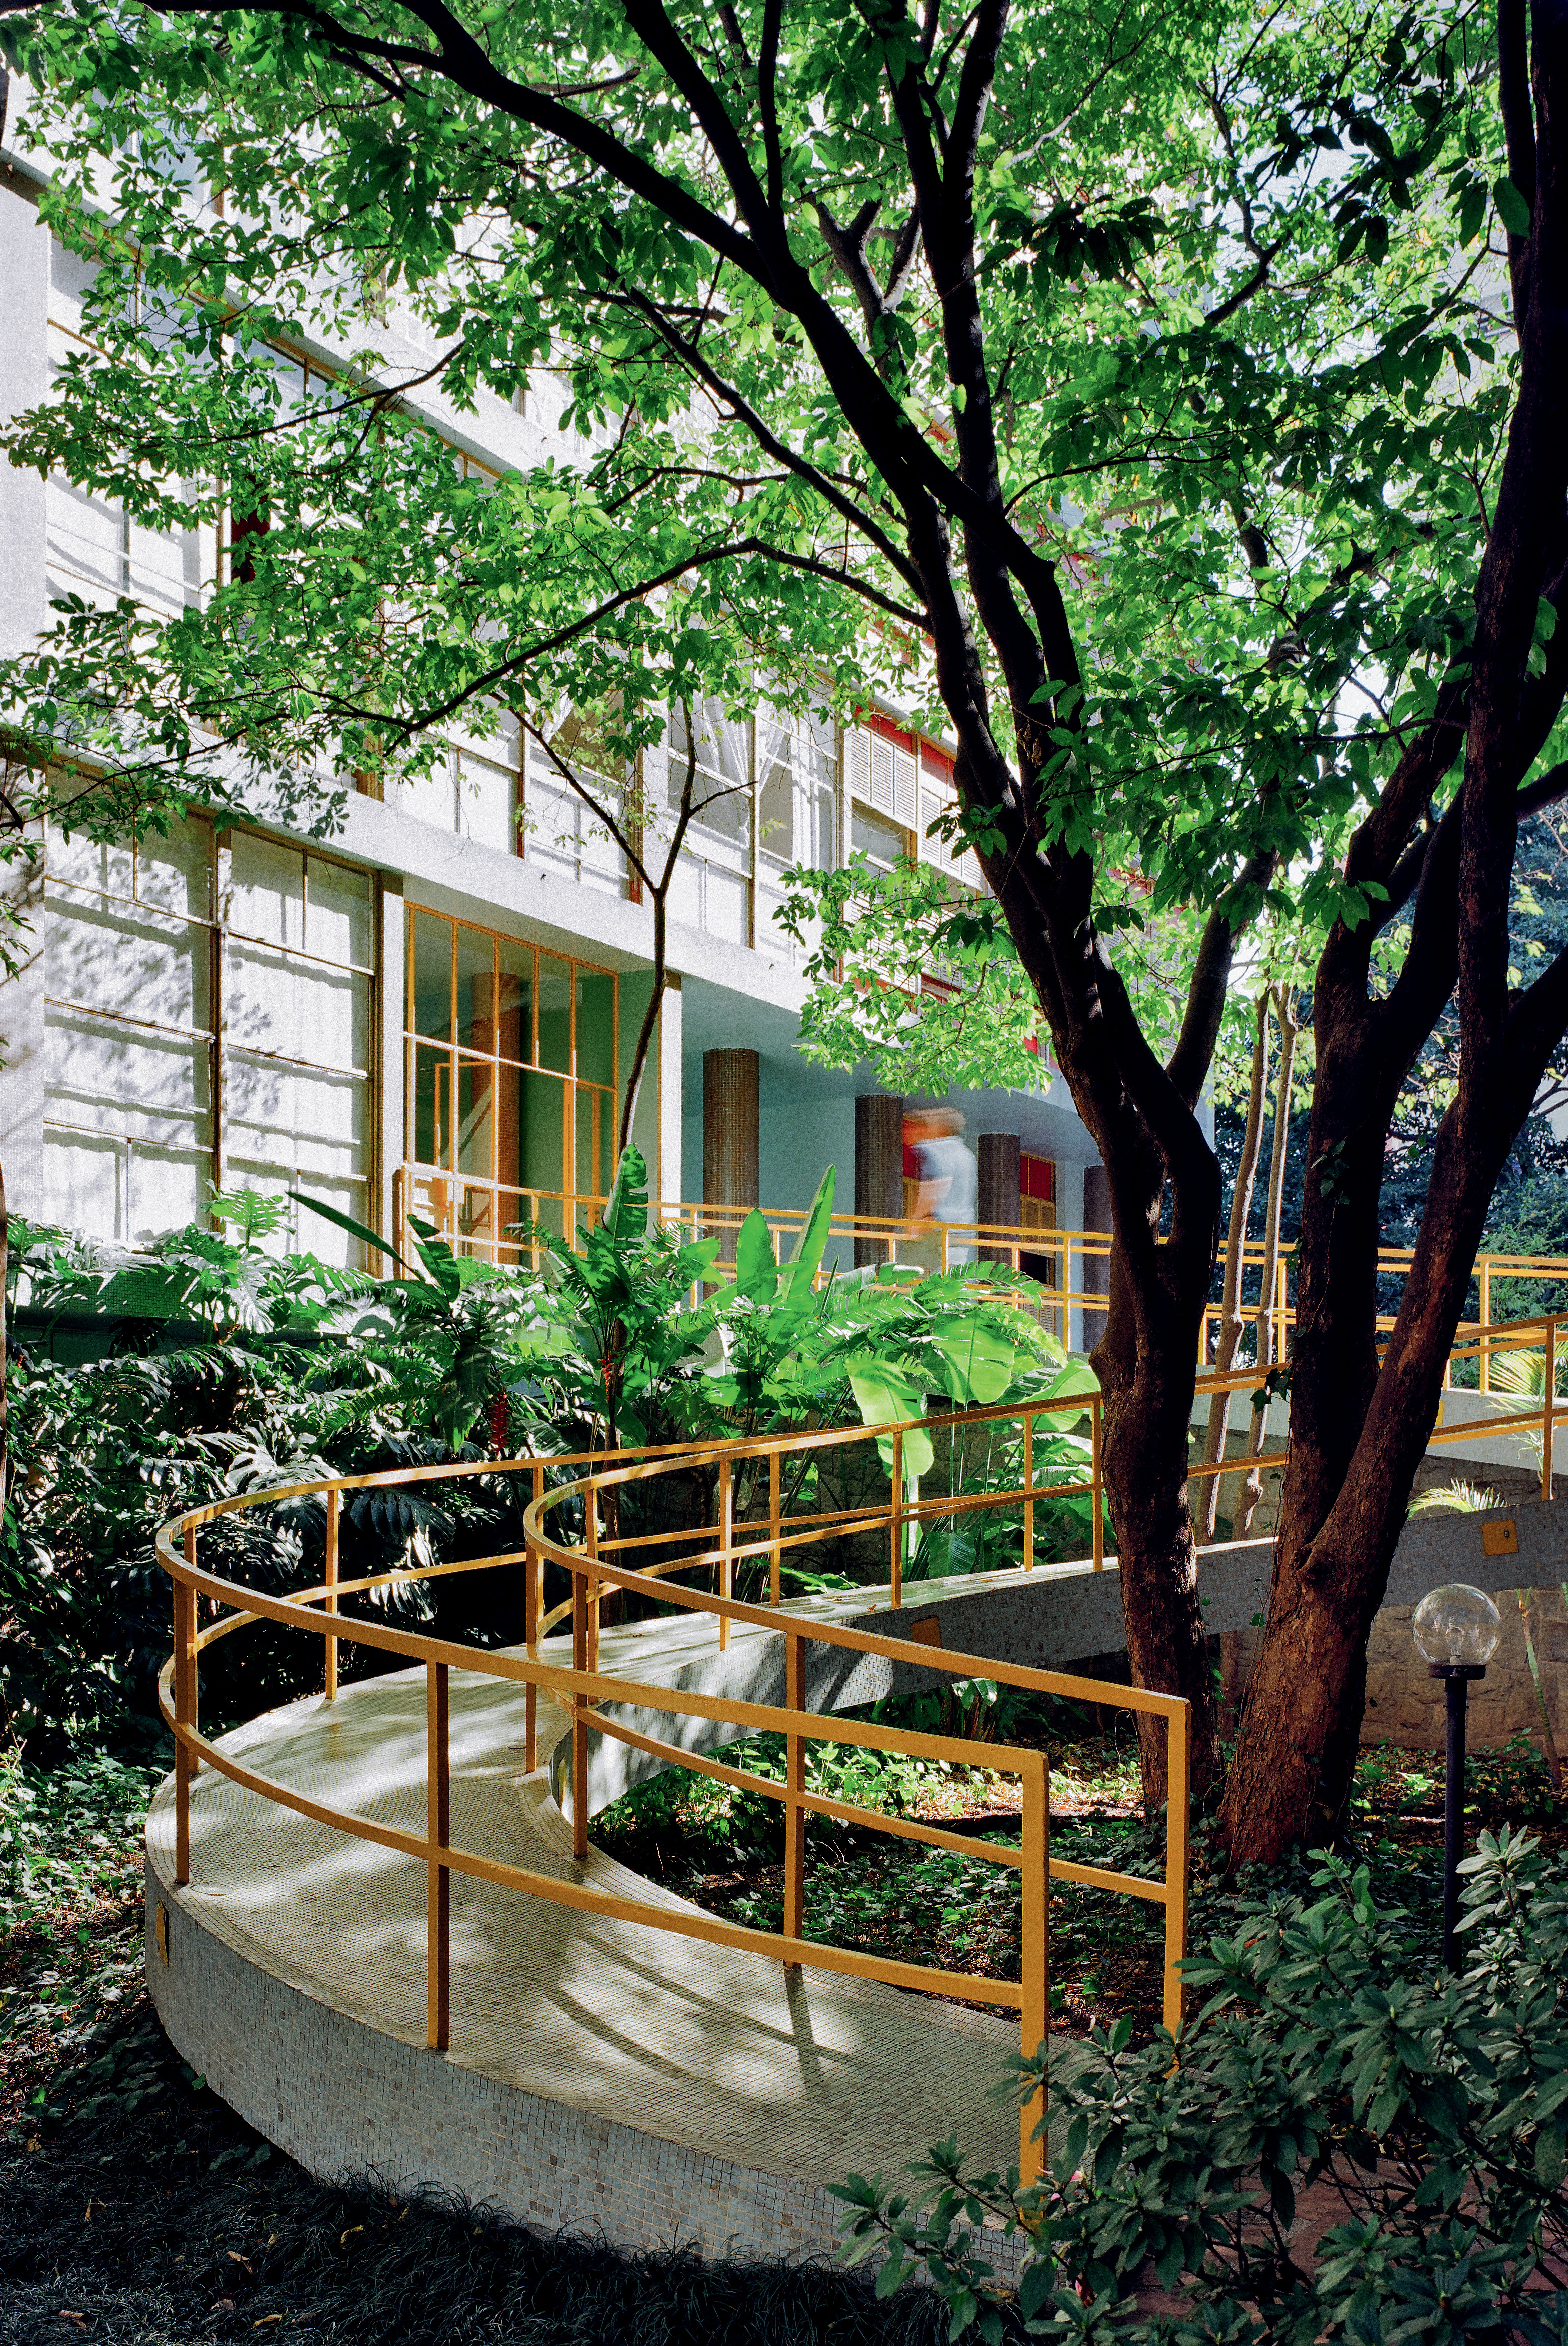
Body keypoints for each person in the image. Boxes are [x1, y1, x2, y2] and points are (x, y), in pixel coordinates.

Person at [910, 1108, 978, 1265]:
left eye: (928, 1125)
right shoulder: (967, 1154)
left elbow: (934, 1187)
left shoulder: (938, 1150)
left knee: (921, 1277)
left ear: (943, 1127)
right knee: (953, 1279)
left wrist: (915, 1222)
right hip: (963, 1230)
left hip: (938, 1230)